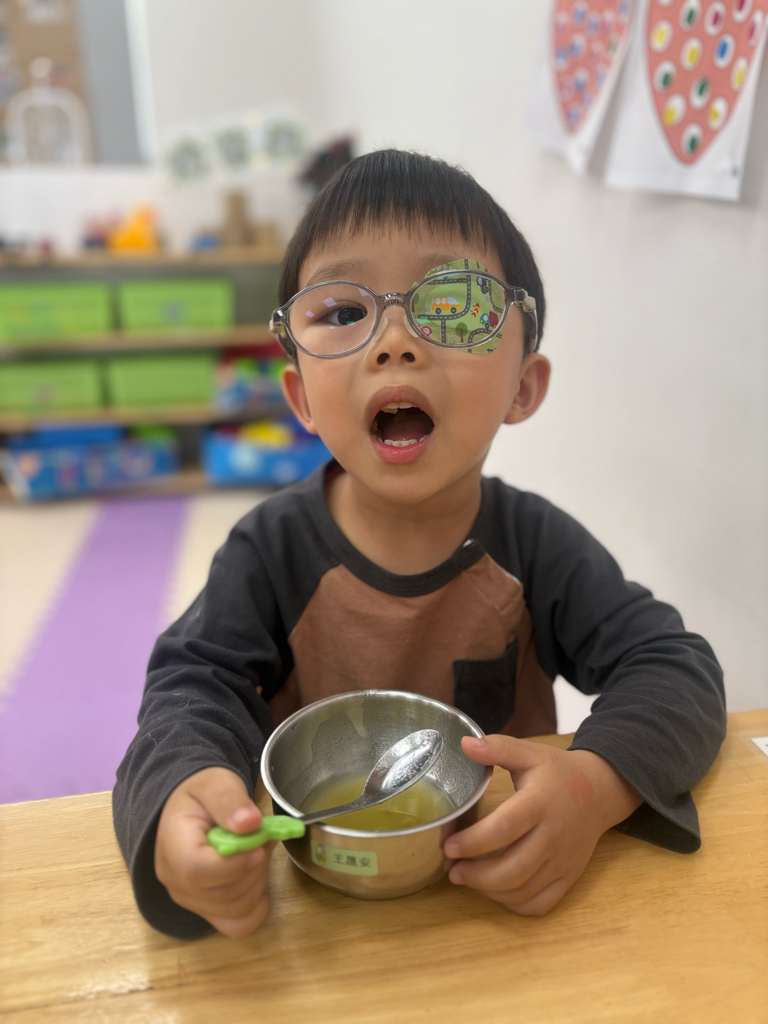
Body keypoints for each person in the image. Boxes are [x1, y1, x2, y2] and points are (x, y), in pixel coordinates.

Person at [113, 149, 726, 940]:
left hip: (502, 910)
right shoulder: (268, 552)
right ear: (301, 396)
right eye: (343, 312)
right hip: (319, 922)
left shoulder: (536, 546)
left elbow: (674, 668)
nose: (395, 341)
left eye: (455, 305)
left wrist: (594, 786)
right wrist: (183, 796)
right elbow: (188, 691)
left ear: (522, 386)